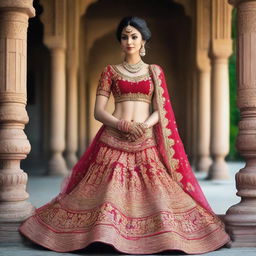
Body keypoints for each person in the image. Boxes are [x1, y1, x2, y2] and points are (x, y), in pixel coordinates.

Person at [19, 16, 230, 254]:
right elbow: (98, 112)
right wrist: (123, 125)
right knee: (104, 193)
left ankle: (157, 238)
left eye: (134, 36)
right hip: (113, 140)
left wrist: (143, 126)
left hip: (144, 140)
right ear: (120, 41)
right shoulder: (110, 71)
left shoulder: (154, 72)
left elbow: (162, 110)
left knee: (158, 194)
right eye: (124, 36)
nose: (129, 41)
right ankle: (104, 236)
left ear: (143, 41)